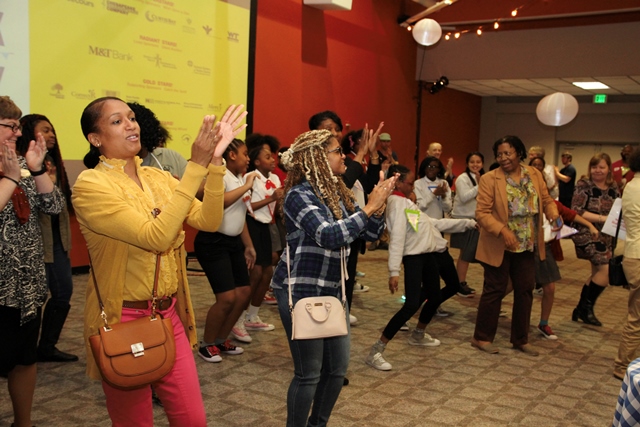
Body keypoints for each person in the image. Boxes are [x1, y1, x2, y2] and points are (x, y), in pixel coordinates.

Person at [72, 97, 246, 426]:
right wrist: (195, 167)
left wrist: (215, 162)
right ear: (95, 139)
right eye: (117, 121)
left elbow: (209, 220)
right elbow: (156, 237)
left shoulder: (157, 177)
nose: (130, 125)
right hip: (121, 319)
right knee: (135, 421)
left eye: (132, 117)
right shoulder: (91, 185)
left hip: (168, 315)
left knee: (192, 419)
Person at [271, 129, 395, 426]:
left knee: (337, 371)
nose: (343, 156)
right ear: (317, 157)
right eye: (338, 151)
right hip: (301, 289)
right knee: (309, 373)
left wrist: (379, 206)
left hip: (333, 289)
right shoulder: (298, 195)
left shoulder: (336, 191)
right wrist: (368, 207)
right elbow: (328, 235)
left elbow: (369, 234)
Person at [365, 164, 476, 371]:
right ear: (398, 182)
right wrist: (394, 271)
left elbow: (432, 223)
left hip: (427, 256)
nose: (413, 186)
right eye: (409, 183)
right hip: (414, 258)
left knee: (434, 297)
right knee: (411, 305)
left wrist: (467, 224)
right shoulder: (396, 203)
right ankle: (377, 350)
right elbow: (397, 237)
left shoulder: (406, 202)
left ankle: (418, 334)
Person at [0, 96, 65, 427]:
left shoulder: (20, 165)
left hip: (26, 285)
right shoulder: (12, 172)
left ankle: (23, 423)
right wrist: (10, 179)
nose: (17, 132)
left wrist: (37, 169)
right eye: (10, 126)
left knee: (24, 359)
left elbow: (54, 207)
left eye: (18, 126)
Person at [471, 135, 560, 357]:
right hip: (498, 243)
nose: (503, 158)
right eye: (499, 154)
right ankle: (481, 337)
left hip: (527, 243)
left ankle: (520, 339)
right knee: (494, 290)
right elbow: (482, 213)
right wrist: (503, 231)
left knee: (525, 290)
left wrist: (553, 213)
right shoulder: (490, 179)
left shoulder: (534, 174)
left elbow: (546, 199)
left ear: (519, 153)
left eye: (507, 153)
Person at [16, 114, 78, 363]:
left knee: (63, 292)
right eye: (45, 130)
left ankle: (47, 346)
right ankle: (24, 350)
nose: (51, 135)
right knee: (34, 298)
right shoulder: (19, 165)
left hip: (57, 241)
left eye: (52, 130)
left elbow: (58, 205)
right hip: (34, 243)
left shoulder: (52, 163)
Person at [194, 138, 256, 359]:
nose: (248, 159)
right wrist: (247, 186)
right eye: (245, 154)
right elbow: (218, 201)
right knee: (227, 298)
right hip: (213, 242)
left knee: (244, 293)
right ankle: (207, 344)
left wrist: (248, 245)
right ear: (231, 155)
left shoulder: (237, 178)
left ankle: (221, 340)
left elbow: (240, 215)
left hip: (233, 242)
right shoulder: (219, 175)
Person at [528, 157, 599, 340]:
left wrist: (590, 226)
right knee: (513, 285)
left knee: (549, 288)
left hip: (544, 249)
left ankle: (544, 323)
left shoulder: (552, 203)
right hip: (525, 248)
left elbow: (572, 215)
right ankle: (491, 309)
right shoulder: (523, 202)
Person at [570, 152, 620, 327]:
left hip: (606, 234)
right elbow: (576, 210)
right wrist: (601, 219)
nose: (597, 170)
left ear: (608, 169)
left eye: (601, 167)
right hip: (585, 231)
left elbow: (617, 211)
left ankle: (581, 309)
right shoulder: (584, 185)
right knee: (605, 270)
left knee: (598, 272)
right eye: (594, 167)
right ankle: (585, 309)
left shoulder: (614, 187)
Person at [241, 134, 283, 336]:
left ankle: (253, 316)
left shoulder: (275, 178)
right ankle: (238, 318)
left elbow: (275, 206)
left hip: (266, 226)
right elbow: (247, 207)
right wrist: (271, 199)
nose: (273, 160)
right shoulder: (250, 178)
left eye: (272, 156)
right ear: (256, 162)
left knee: (267, 273)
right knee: (255, 272)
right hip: (252, 225)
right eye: (267, 157)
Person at [613, 147, 640, 380]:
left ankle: (626, 363)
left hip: (633, 254)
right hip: (639, 257)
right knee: (637, 317)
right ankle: (623, 365)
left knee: (636, 314)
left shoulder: (631, 185)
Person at [450, 151, 485, 297]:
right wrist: (480, 185)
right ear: (467, 164)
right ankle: (460, 284)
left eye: (478, 162)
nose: (475, 165)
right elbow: (465, 197)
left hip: (476, 219)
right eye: (472, 162)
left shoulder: (483, 177)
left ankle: (460, 282)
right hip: (463, 218)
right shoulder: (462, 178)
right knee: (465, 253)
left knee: (469, 253)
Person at [129, 102, 188, 180]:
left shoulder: (171, 157)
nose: (130, 127)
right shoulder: (115, 168)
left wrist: (180, 185)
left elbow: (197, 185)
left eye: (133, 120)